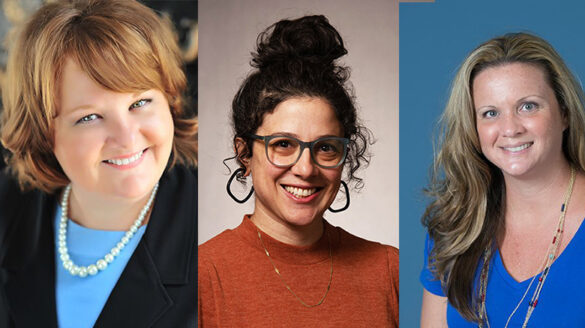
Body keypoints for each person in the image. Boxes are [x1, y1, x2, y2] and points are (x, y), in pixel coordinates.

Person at [0, 0, 197, 327]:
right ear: (44, 133)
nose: (127, 137)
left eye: (140, 102)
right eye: (89, 117)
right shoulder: (8, 209)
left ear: (170, 100)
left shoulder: (213, 239)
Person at [198, 15, 398, 327]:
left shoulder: (389, 271)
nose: (306, 169)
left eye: (326, 148)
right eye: (283, 144)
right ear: (244, 154)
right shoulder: (202, 275)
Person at [420, 32, 585, 327]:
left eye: (528, 106)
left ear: (564, 113)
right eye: (490, 113)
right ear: (474, 127)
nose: (509, 128)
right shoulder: (453, 227)